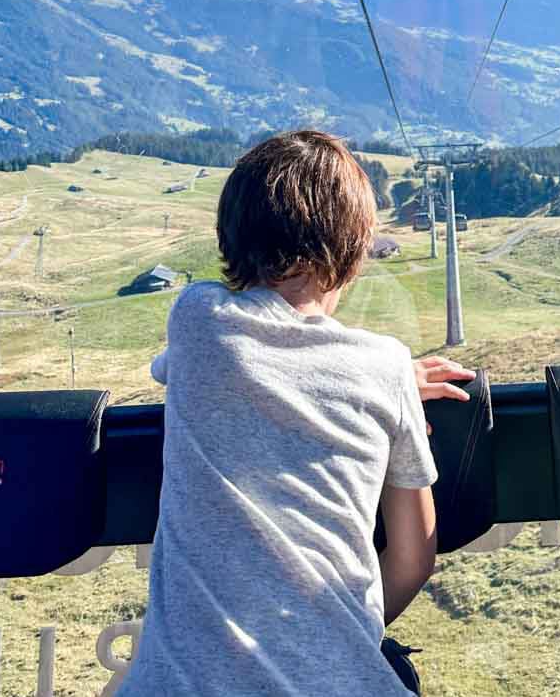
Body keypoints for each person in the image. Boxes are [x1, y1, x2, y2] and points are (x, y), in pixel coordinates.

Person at [119, 131, 449, 696]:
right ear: (352, 253)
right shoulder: (386, 366)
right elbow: (414, 557)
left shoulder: (197, 320)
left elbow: (211, 368)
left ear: (230, 233)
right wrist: (342, 640)